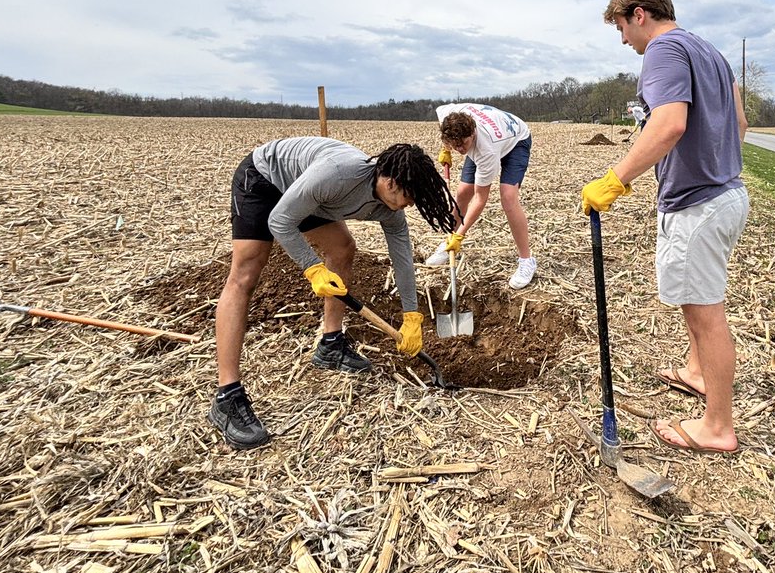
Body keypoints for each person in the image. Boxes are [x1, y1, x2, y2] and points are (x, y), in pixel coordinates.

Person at [581, 0, 749, 455]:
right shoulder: (711, 52)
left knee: (706, 311)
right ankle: (697, 372)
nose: (622, 39)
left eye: (620, 27)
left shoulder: (662, 50)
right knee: (696, 299)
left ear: (639, 14)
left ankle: (717, 426)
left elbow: (669, 122)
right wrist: (714, 164)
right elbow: (738, 124)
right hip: (727, 195)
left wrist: (615, 179)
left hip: (698, 204)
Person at [210, 138, 457, 450]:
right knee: (247, 271)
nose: (407, 205)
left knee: (342, 249)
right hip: (265, 179)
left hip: (310, 194)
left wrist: (412, 315)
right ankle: (227, 396)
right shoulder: (339, 175)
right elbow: (280, 221)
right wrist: (313, 268)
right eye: (407, 196)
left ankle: (331, 345)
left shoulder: (391, 206)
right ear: (388, 179)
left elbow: (402, 256)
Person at [426, 103, 538, 289]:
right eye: (455, 145)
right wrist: (446, 148)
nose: (460, 149)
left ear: (472, 133)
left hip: (516, 139)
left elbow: (480, 199)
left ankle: (527, 261)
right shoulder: (447, 115)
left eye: (463, 144)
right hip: (494, 131)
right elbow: (444, 124)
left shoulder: (486, 150)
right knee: (462, 192)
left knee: (508, 198)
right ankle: (448, 245)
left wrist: (461, 236)